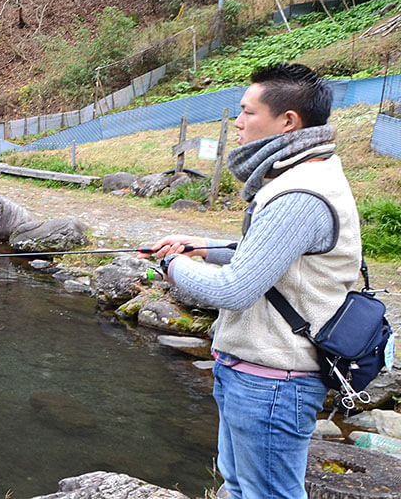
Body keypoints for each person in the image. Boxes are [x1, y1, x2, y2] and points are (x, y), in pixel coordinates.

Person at [146, 63, 362, 499]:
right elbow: (272, 259)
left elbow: (236, 289)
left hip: (274, 382)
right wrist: (201, 248)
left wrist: (169, 266)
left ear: (288, 121)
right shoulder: (306, 174)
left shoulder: (300, 193)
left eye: (247, 112)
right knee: (240, 487)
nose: (239, 122)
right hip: (258, 375)